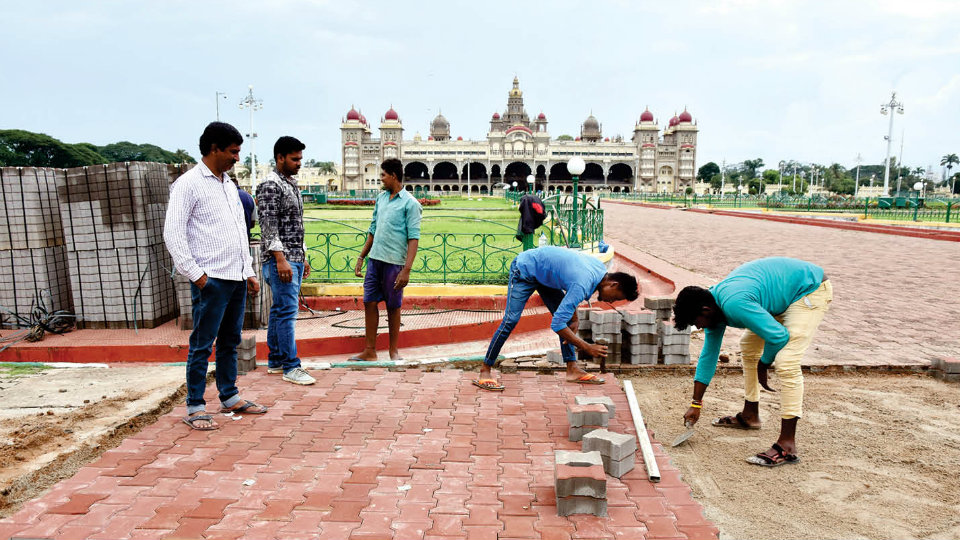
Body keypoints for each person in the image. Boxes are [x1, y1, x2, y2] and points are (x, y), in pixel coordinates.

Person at [672, 257, 832, 467]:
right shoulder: (713, 306)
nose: (699, 327)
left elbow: (778, 337)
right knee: (748, 347)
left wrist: (764, 364)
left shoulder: (734, 303)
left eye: (696, 323)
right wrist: (696, 403)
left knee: (786, 361)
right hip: (783, 296)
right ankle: (750, 415)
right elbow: (709, 356)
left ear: (705, 311)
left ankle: (787, 445)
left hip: (808, 290)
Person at [164, 121, 268, 430]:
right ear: (214, 149)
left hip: (235, 278)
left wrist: (248, 271)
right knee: (202, 343)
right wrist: (197, 276)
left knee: (229, 341)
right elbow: (173, 233)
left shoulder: (228, 185)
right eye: (234, 152)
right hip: (211, 280)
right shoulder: (188, 184)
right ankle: (195, 405)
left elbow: (239, 232)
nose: (237, 158)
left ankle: (229, 395)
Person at [476, 246, 639, 391]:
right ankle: (485, 370)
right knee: (511, 320)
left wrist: (575, 317)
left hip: (545, 274)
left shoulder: (598, 269)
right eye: (616, 298)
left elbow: (571, 287)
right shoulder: (583, 282)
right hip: (524, 268)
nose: (611, 302)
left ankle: (572, 369)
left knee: (569, 321)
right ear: (614, 284)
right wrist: (586, 347)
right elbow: (557, 324)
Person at [255, 136, 315, 385]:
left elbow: (294, 225)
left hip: (294, 256)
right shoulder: (270, 185)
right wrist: (281, 259)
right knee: (288, 312)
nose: (299, 163)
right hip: (282, 259)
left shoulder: (290, 183)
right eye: (294, 159)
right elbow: (268, 227)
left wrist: (304, 255)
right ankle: (291, 366)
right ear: (280, 158)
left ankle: (276, 361)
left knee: (280, 311)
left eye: (300, 158)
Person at [349, 158, 421, 362]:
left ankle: (393, 351)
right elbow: (373, 230)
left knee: (393, 306)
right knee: (369, 302)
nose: (380, 178)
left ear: (394, 176)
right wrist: (362, 256)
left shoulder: (410, 204)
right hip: (375, 260)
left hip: (394, 264)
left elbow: (413, 238)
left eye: (383, 175)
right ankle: (370, 350)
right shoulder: (380, 199)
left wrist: (406, 270)